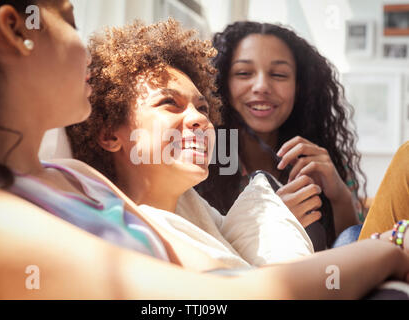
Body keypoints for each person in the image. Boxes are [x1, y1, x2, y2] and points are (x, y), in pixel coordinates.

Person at [0, 1, 409, 300]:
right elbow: (214, 299)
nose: (200, 120)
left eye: (201, 106)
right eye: (70, 19)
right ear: (17, 29)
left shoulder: (77, 176)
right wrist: (389, 247)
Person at [66, 19, 314, 267]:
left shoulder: (200, 216)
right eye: (169, 103)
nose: (200, 119)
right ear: (110, 136)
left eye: (203, 108)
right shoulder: (131, 238)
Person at [195, 21, 367, 250]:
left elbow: (353, 250)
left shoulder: (323, 161)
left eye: (278, 74)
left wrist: (340, 196)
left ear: (300, 86)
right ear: (221, 83)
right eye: (244, 73)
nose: (261, 86)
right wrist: (270, 220)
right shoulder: (200, 161)